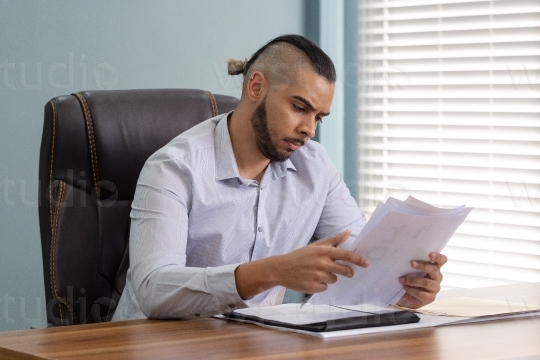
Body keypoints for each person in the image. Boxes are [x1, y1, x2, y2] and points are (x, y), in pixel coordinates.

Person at [112, 34, 447, 321]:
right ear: (257, 86)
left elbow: (359, 258)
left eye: (319, 117)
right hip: (154, 343)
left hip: (252, 343)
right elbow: (152, 290)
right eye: (300, 107)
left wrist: (400, 287)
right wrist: (273, 271)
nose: (309, 129)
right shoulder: (173, 169)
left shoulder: (315, 166)